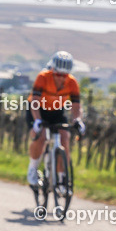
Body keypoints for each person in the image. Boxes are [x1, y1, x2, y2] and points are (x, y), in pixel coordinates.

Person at [27, 51, 84, 187]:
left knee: (65, 138)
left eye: (64, 75)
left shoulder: (72, 82)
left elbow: (76, 106)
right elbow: (35, 101)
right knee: (40, 137)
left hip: (56, 111)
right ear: (52, 70)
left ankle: (61, 179)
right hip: (38, 109)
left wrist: (77, 120)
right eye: (58, 74)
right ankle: (33, 169)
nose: (61, 78)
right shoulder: (43, 77)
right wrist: (37, 121)